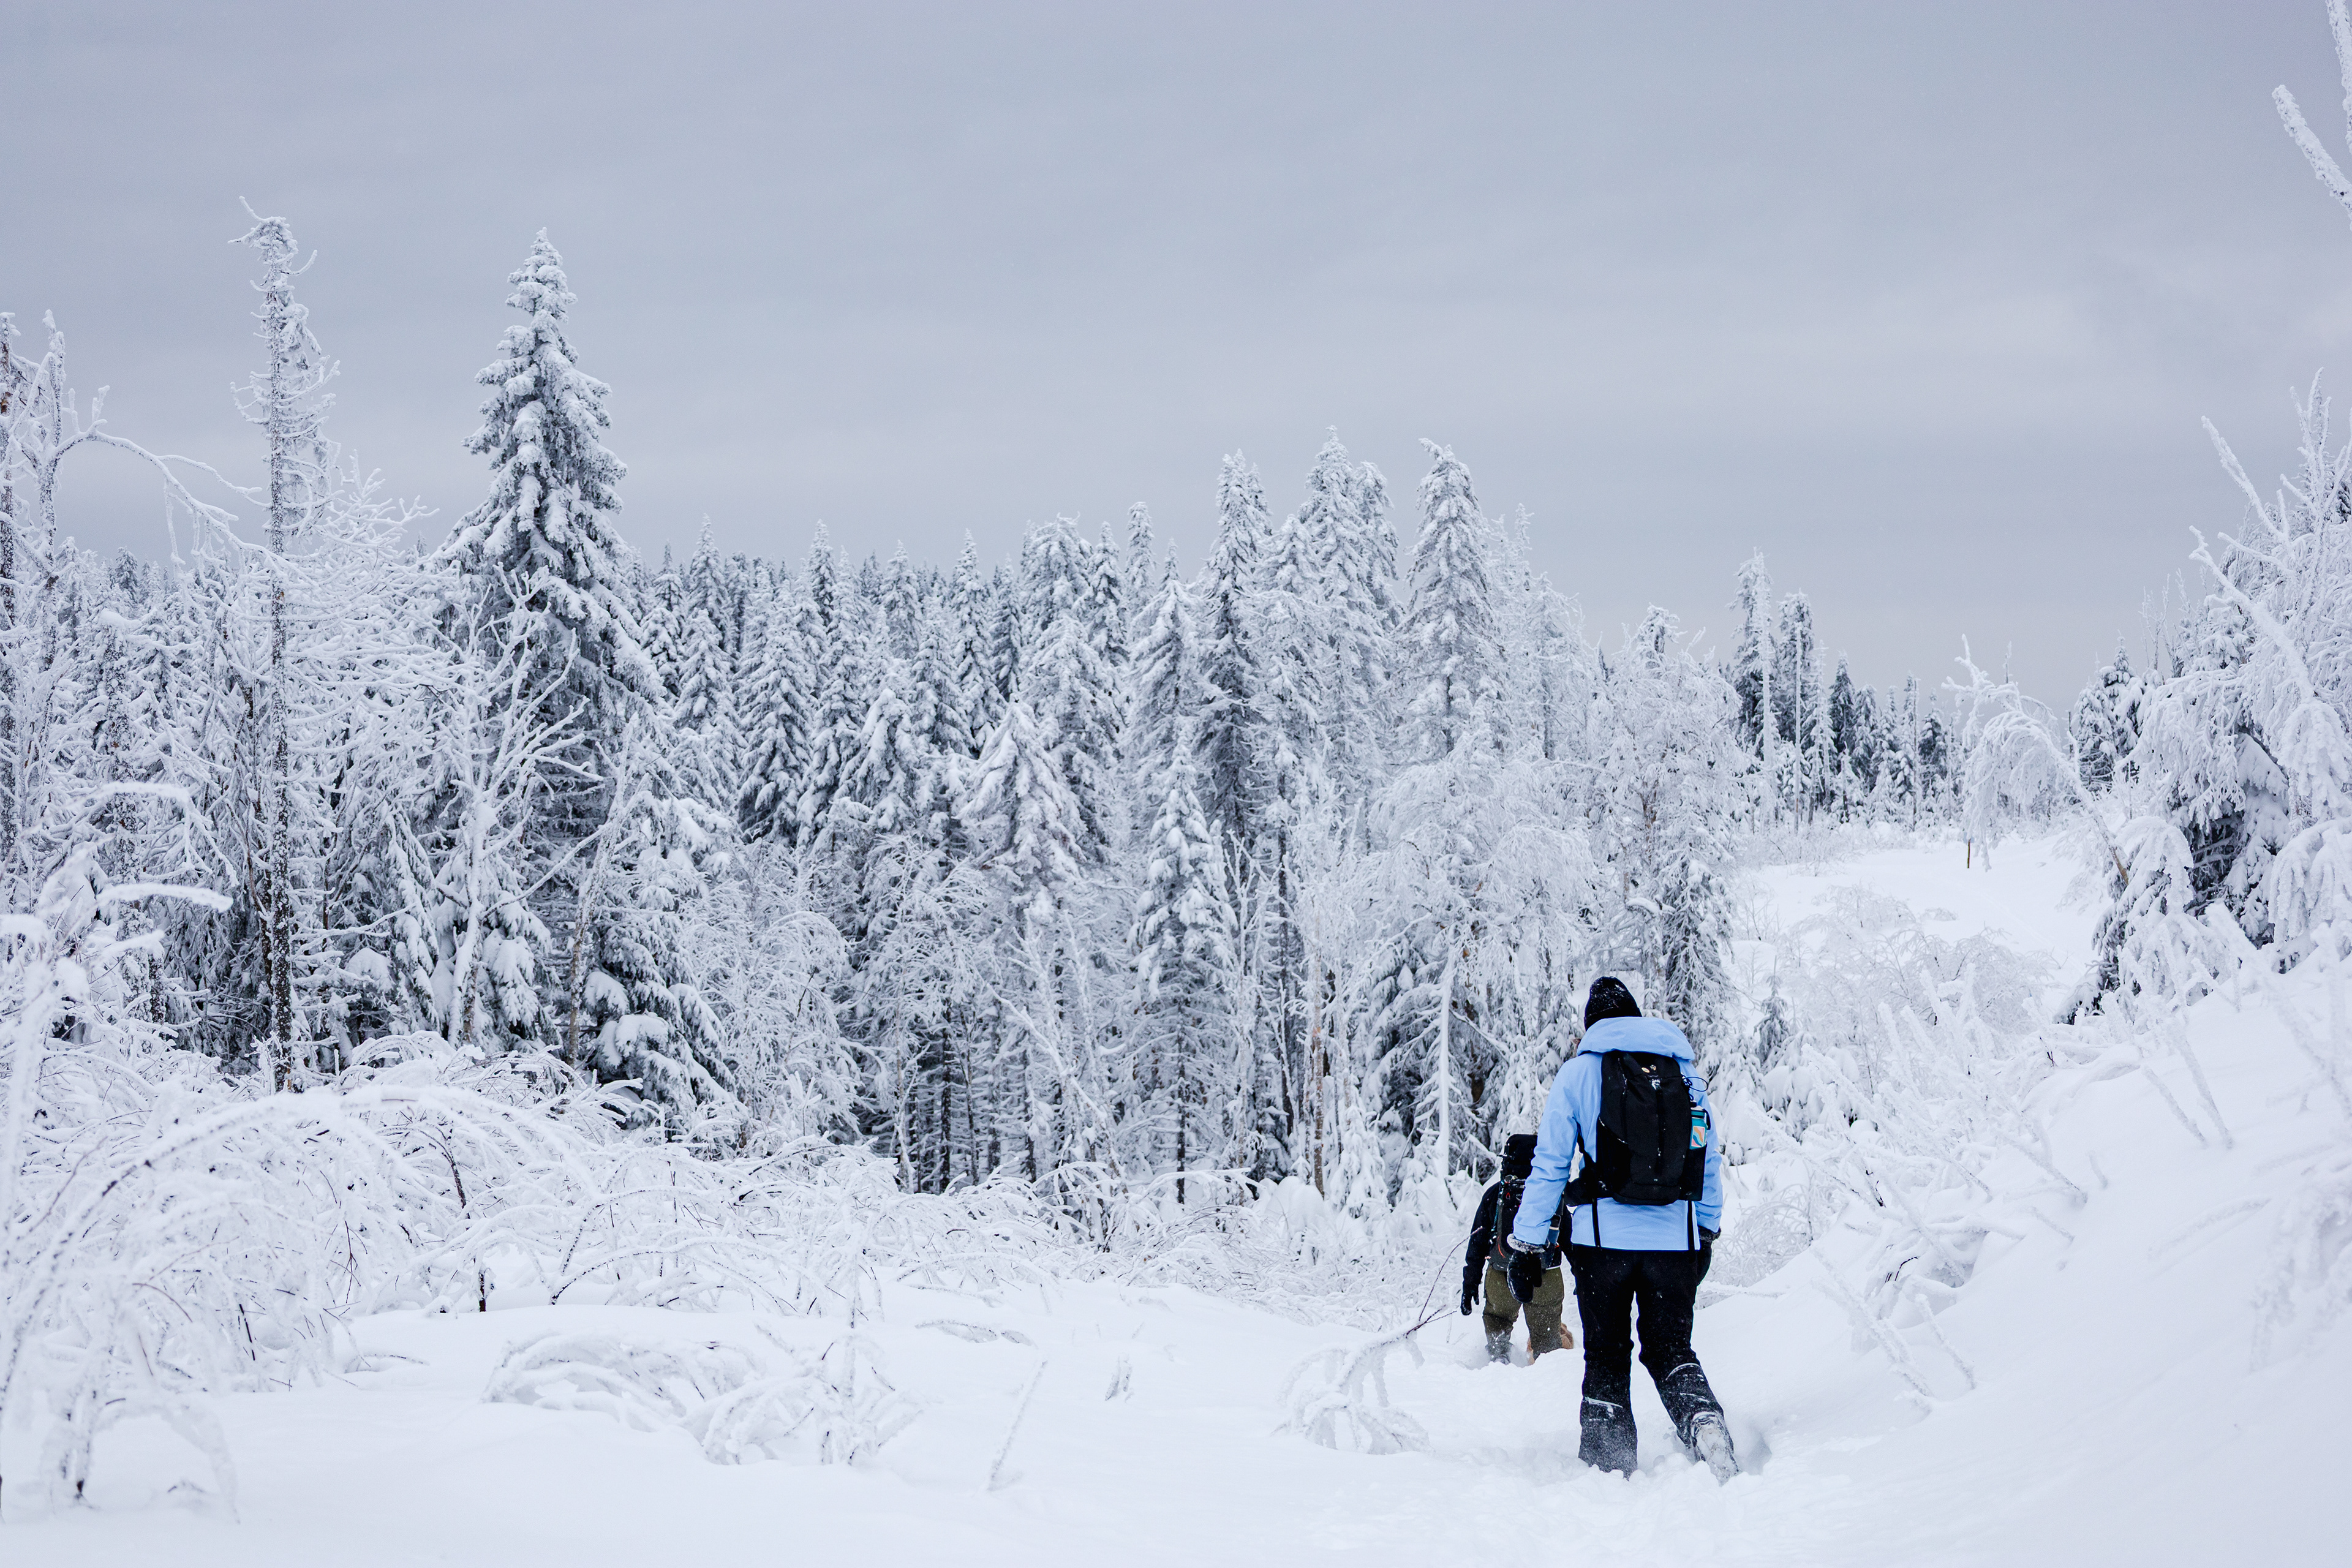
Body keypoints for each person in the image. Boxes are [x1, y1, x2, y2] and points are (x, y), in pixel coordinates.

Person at [1504, 976, 1737, 1480]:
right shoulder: (1684, 1076)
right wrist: (1708, 1232)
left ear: (1591, 1025)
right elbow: (1708, 1160)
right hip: (1676, 1242)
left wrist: (1526, 1245)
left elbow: (1549, 1168)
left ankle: (1610, 1467)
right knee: (1671, 1348)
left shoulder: (1578, 1075)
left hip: (1601, 1246)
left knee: (1608, 1354)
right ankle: (1703, 1421)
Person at [1459, 1133, 1571, 1363]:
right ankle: (1547, 1377)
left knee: (1498, 1321)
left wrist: (1470, 1282)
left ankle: (1499, 1361)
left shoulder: (1496, 1194)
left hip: (1502, 1273)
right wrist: (1586, 1278)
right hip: (1545, 1276)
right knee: (1547, 1339)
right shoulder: (1550, 1195)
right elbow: (1572, 1242)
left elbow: (1477, 1243)